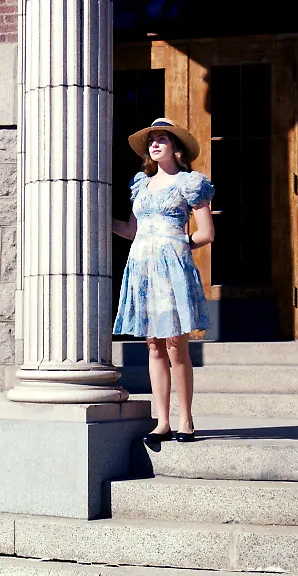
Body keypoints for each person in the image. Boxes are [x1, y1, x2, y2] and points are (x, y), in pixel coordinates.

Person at [112, 118, 215, 444]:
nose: (155, 144)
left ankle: (186, 420)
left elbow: (206, 233)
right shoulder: (141, 185)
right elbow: (131, 231)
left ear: (176, 148)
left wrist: (177, 245)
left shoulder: (189, 183)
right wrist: (96, 215)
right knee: (153, 345)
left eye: (162, 139)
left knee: (175, 345)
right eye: (152, 140)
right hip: (142, 268)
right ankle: (162, 421)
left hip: (172, 268)